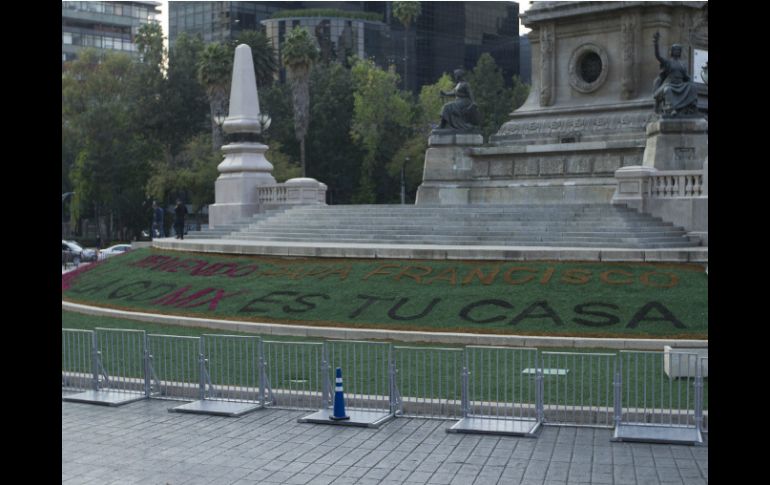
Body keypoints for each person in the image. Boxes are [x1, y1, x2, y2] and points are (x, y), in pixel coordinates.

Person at [652, 32, 698, 117]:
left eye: (678, 50)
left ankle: (692, 107)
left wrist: (690, 81)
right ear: (672, 52)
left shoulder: (682, 64)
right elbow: (658, 56)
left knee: (693, 87)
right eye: (675, 50)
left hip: (680, 84)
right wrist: (655, 43)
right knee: (668, 90)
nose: (677, 51)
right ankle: (671, 108)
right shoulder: (668, 62)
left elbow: (686, 77)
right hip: (671, 84)